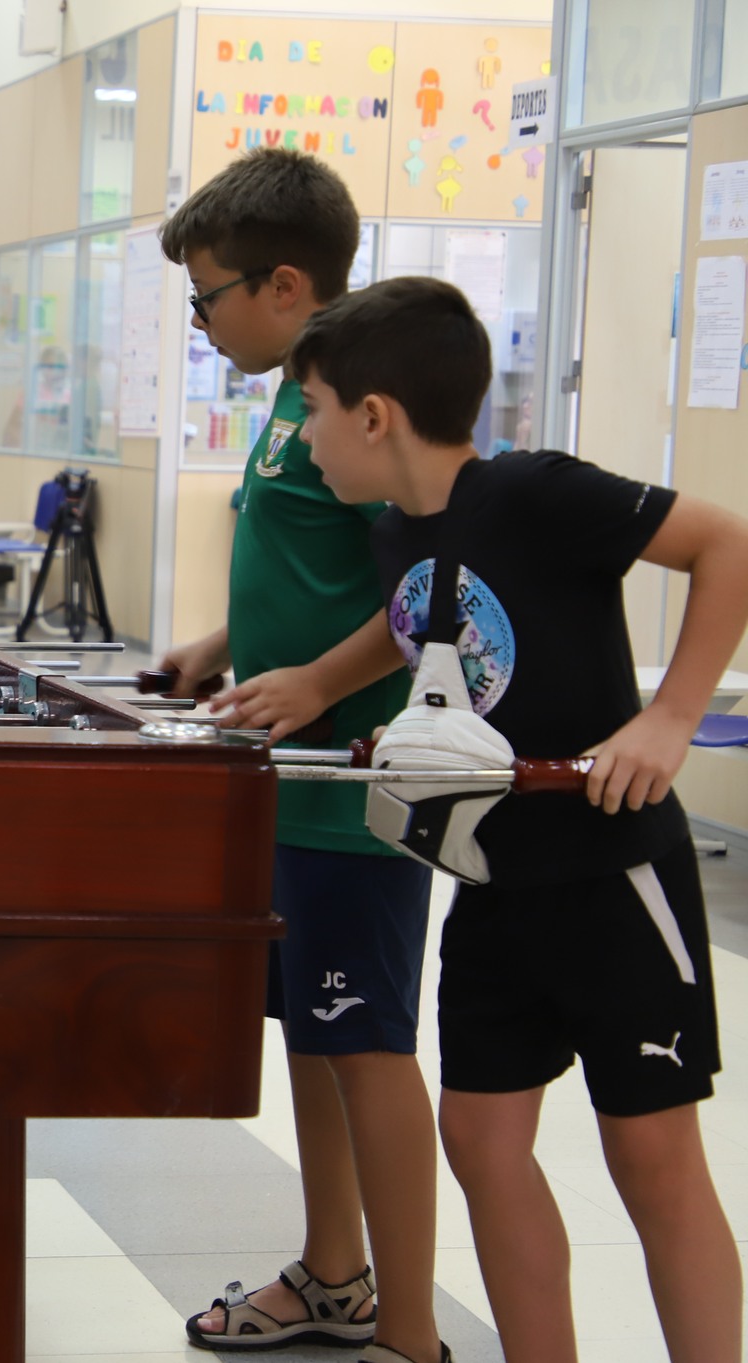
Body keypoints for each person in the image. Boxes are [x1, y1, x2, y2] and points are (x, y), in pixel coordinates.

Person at [290, 276, 747, 1363]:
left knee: (648, 1159)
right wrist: (313, 681)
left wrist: (670, 718)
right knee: (482, 1143)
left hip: (612, 878)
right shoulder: (396, 530)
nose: (303, 439)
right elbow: (418, 621)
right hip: (492, 887)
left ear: (372, 415)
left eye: (310, 409)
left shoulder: (538, 491)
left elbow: (726, 543)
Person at [154, 147, 440, 1363]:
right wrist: (219, 647)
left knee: (364, 1047)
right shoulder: (295, 390)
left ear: (280, 284)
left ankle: (410, 1334)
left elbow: (429, 586)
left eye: (204, 295)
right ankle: (333, 1274)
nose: (199, 319)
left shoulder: (366, 397)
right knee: (313, 1037)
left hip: (352, 791)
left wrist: (320, 683)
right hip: (287, 777)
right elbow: (321, 572)